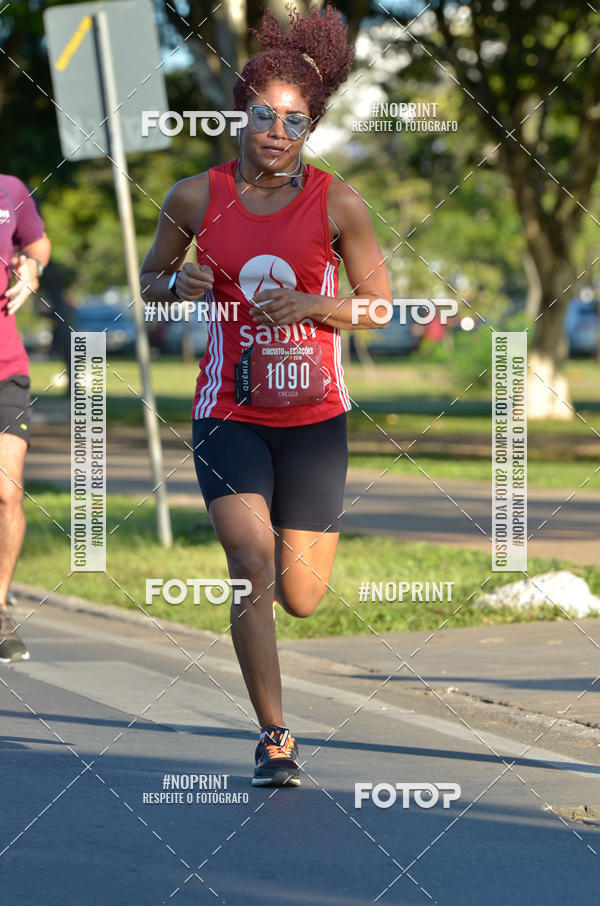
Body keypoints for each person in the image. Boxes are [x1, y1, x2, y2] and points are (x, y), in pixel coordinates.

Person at [141, 4, 391, 786]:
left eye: (295, 121)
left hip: (315, 418)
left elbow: (381, 305)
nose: (277, 133)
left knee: (304, 596)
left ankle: (280, 688)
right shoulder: (192, 197)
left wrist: (320, 306)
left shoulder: (338, 202)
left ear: (310, 129)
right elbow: (148, 288)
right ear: (239, 118)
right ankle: (275, 737)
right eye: (263, 116)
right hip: (228, 413)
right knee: (249, 560)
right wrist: (171, 284)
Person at [0, 174, 51, 663]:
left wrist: (32, 267)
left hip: (5, 368)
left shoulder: (10, 190)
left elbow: (38, 243)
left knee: (7, 491)